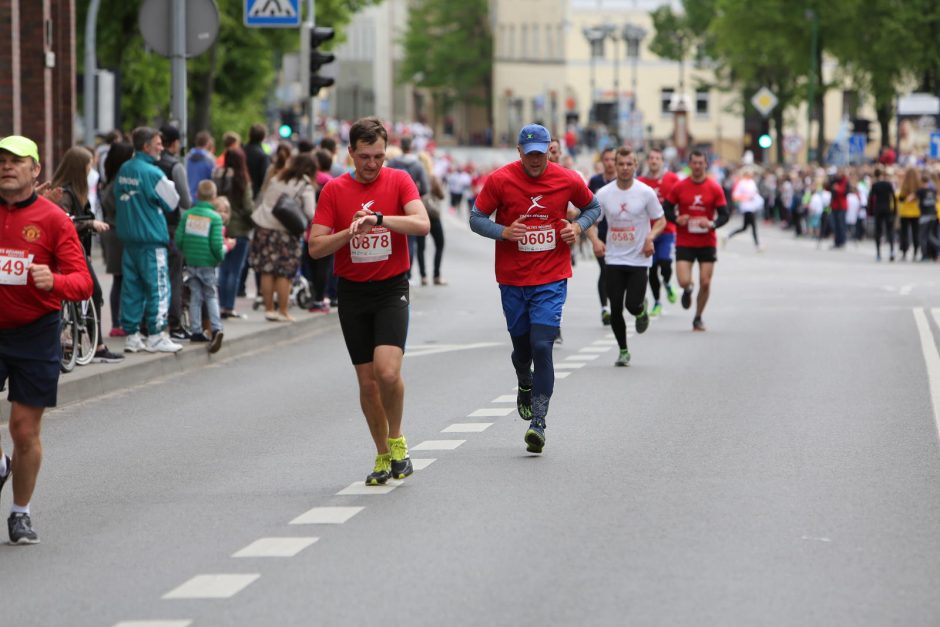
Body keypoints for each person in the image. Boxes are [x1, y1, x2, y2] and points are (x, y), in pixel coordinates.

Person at [308, 117, 430, 485]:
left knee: (387, 371)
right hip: (353, 292)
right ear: (350, 153)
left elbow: (422, 223)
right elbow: (315, 247)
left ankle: (398, 441)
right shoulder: (333, 190)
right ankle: (381, 453)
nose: (372, 164)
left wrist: (379, 219)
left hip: (391, 288)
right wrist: (349, 232)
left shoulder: (399, 180)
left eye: (378, 156)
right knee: (367, 383)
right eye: (364, 157)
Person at [469, 123, 599, 454]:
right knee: (522, 350)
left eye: (541, 153)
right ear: (519, 153)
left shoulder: (567, 178)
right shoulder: (500, 180)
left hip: (551, 277)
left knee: (542, 345)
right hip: (512, 279)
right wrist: (502, 232)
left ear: (548, 150)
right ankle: (524, 381)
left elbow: (593, 208)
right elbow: (476, 218)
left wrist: (577, 226)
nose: (536, 160)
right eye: (530, 155)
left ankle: (538, 422)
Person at [0, 135, 93, 544]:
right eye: (1, 160)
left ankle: (20, 513)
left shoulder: (54, 220)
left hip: (36, 331)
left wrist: (52, 280)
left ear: (35, 170)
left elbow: (84, 283)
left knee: (23, 430)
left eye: (16, 161)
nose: (7, 167)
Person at [589, 148, 665, 366]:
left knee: (632, 304)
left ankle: (641, 312)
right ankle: (623, 350)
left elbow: (660, 220)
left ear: (635, 166)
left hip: (639, 258)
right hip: (613, 257)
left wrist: (650, 237)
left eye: (628, 164)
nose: (623, 168)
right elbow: (591, 221)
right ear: (615, 164)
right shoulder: (603, 194)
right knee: (615, 308)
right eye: (620, 164)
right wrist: (596, 241)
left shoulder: (646, 192)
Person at [50, 145, 124, 363]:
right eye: (88, 166)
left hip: (79, 249)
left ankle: (91, 341)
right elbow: (64, 223)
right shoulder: (65, 193)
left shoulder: (76, 192)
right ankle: (97, 344)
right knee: (94, 291)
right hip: (71, 251)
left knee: (92, 293)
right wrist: (90, 223)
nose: (90, 170)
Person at [114, 127, 183, 352]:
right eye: (158, 143)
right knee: (158, 287)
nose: (161, 148)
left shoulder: (125, 169)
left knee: (132, 288)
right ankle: (156, 334)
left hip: (129, 239)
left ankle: (132, 334)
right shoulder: (153, 173)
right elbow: (173, 202)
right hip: (151, 240)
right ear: (146, 146)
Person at [662, 150, 729, 332]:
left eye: (701, 163)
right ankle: (688, 289)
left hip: (707, 241)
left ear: (706, 164)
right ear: (689, 165)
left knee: (706, 282)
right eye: (695, 163)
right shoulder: (680, 187)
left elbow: (725, 214)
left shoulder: (714, 188)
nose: (698, 166)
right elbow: (666, 208)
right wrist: (677, 219)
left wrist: (712, 223)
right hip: (685, 240)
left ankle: (698, 317)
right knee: (684, 281)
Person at [250, 153, 316, 322]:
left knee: (267, 269)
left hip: (264, 226)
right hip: (286, 231)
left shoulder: (277, 178)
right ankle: (283, 311)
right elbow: (310, 212)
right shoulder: (304, 184)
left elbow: (263, 199)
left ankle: (269, 309)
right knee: (284, 272)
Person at [175, 180, 225, 353]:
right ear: (214, 197)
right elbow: (216, 244)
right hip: (208, 263)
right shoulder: (215, 217)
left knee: (195, 296)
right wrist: (220, 257)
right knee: (211, 295)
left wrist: (187, 253)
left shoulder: (188, 215)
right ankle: (216, 328)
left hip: (191, 262)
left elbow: (179, 239)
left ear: (197, 195)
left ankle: (196, 331)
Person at [156, 124, 192, 340]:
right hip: (171, 226)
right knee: (174, 274)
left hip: (151, 224)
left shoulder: (149, 163)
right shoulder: (175, 166)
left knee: (152, 276)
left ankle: (149, 322)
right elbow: (185, 200)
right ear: (175, 142)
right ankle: (175, 323)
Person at [212, 147, 254, 319]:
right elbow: (247, 206)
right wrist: (253, 222)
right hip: (239, 228)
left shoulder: (217, 175)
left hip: (220, 226)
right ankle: (229, 306)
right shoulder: (242, 179)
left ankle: (220, 305)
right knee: (235, 270)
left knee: (223, 269)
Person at [638, 148, 679, 317]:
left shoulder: (672, 179)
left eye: (657, 158)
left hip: (667, 229)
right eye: (651, 158)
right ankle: (657, 302)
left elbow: (680, 198)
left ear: (662, 161)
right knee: (652, 269)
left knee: (665, 262)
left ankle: (668, 283)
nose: (654, 161)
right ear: (648, 161)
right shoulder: (640, 181)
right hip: (647, 232)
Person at [98, 142, 134, 336]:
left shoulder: (109, 180)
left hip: (112, 233)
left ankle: (117, 322)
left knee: (118, 278)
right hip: (120, 232)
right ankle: (120, 322)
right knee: (124, 278)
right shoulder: (121, 182)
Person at [588, 147, 616, 325]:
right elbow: (587, 207)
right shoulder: (595, 181)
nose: (610, 163)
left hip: (620, 235)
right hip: (601, 233)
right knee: (605, 270)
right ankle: (605, 308)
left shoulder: (624, 182)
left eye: (613, 159)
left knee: (618, 272)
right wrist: (594, 238)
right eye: (606, 159)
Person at [725, 167, 763, 250]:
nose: (751, 175)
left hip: (753, 206)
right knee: (753, 226)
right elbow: (735, 196)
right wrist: (746, 197)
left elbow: (755, 193)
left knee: (744, 228)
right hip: (746, 207)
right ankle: (757, 245)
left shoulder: (752, 182)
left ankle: (728, 236)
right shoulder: (741, 183)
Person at [868, 166, 897, 261]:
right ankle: (892, 250)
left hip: (878, 209)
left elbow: (871, 199)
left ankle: (878, 253)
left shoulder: (875, 185)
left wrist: (870, 211)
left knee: (878, 231)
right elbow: (893, 197)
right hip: (888, 209)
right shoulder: (888, 185)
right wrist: (894, 210)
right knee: (890, 231)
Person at [897, 167, 921, 261]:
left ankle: (904, 252)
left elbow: (900, 199)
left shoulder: (904, 185)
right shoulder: (918, 186)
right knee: (916, 233)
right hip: (916, 212)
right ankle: (915, 252)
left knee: (904, 233)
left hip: (905, 212)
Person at [243, 123, 270, 201]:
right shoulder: (262, 156)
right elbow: (265, 178)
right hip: (255, 194)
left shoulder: (241, 151)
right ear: (263, 137)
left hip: (239, 191)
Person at [185, 131, 215, 199]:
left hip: (188, 196)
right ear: (207, 143)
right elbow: (213, 179)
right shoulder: (210, 159)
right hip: (203, 197)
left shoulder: (186, 158)